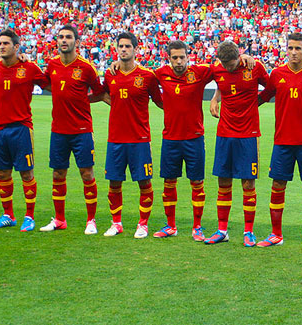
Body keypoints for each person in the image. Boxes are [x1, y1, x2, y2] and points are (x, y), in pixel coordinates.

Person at [257, 32, 302, 250]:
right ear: (285, 50)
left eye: (298, 48)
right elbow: (262, 97)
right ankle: (276, 234)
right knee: (277, 184)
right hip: (283, 141)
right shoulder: (277, 74)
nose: (294, 52)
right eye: (290, 48)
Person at [39, 24, 106, 235]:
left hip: (82, 130)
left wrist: (82, 100)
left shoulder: (86, 68)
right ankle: (59, 220)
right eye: (61, 37)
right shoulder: (52, 65)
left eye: (68, 37)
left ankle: (91, 221)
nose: (64, 40)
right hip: (58, 130)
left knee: (87, 173)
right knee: (58, 174)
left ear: (76, 42)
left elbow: (100, 92)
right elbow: (47, 83)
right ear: (57, 41)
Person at [204, 40, 268, 247]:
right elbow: (221, 85)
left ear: (239, 57)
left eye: (231, 64)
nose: (228, 68)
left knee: (248, 183)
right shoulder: (217, 69)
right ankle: (222, 230)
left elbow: (272, 86)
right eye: (225, 65)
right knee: (223, 182)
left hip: (248, 134)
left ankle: (248, 231)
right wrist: (215, 98)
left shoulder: (253, 66)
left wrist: (257, 101)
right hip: (224, 133)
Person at [0, 29, 48, 232]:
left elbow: (50, 84)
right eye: (0, 43)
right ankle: (8, 215)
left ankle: (29, 216)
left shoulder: (28, 67)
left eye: (6, 43)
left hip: (21, 128)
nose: (1, 46)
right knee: (3, 173)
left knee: (26, 173)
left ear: (16, 47)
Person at [102, 32, 163, 237]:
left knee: (144, 182)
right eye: (121, 46)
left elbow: (160, 101)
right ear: (116, 49)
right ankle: (116, 223)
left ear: (136, 50)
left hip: (140, 139)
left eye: (128, 46)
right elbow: (102, 93)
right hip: (115, 139)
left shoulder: (147, 76)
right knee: (114, 182)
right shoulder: (110, 74)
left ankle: (143, 224)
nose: (124, 49)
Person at [151, 41, 213, 241]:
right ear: (169, 59)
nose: (178, 61)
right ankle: (171, 226)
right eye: (174, 58)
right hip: (170, 138)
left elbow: (225, 71)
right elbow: (149, 88)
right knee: (169, 182)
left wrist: (216, 97)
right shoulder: (160, 74)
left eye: (181, 57)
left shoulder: (200, 72)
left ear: (188, 56)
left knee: (197, 182)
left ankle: (197, 227)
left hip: (194, 138)